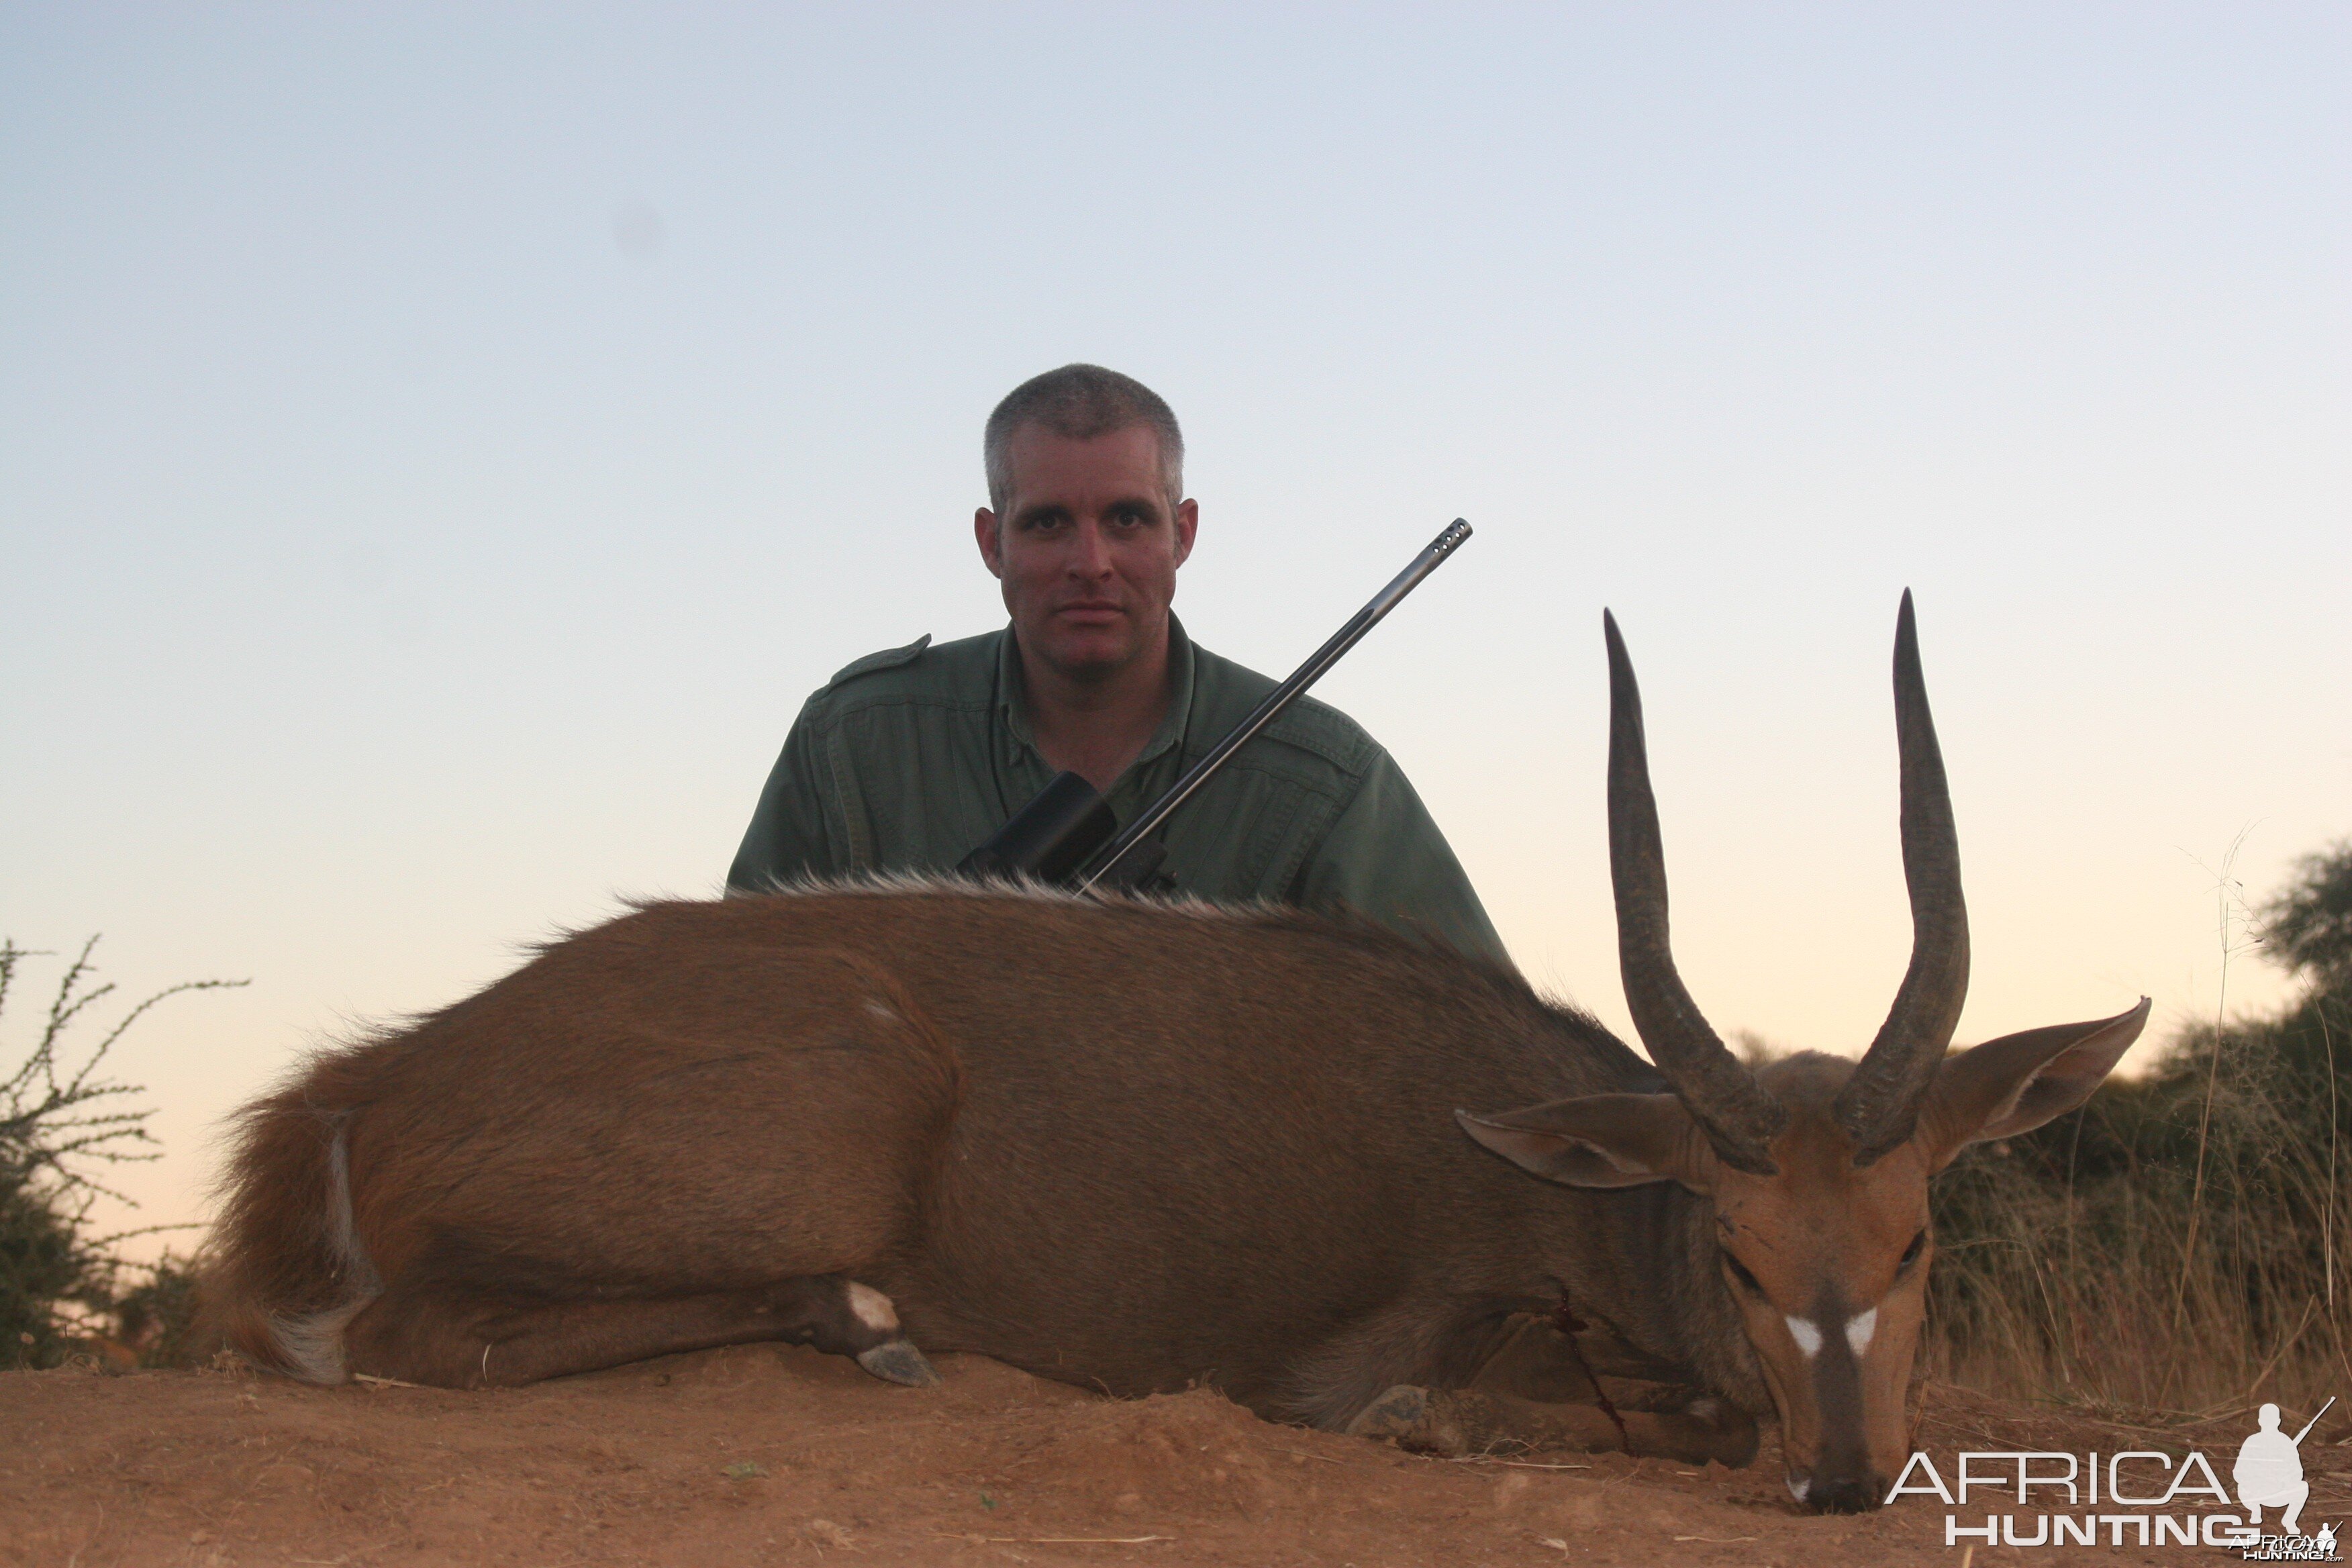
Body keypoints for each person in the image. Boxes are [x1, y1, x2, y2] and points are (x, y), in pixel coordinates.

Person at [728, 363, 1507, 965]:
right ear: (992, 543)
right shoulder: (856, 745)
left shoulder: (1325, 785)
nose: (1091, 562)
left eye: (1127, 518)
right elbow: (736, 1002)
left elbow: (1478, 1044)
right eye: (1049, 523)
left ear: (1184, 533)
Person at [2233, 1402, 2310, 1534]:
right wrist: (2256, 1478)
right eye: (2266, 1419)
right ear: (2260, 1421)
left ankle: (2289, 1520)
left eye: (2271, 1419)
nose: (2269, 1422)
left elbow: (2298, 1473)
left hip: (2279, 1492)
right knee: (2241, 1487)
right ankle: (2256, 1511)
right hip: (2256, 1493)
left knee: (2303, 1487)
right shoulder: (2252, 1441)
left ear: (2278, 1421)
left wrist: (2284, 1479)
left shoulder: (2286, 1442)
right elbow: (2238, 1472)